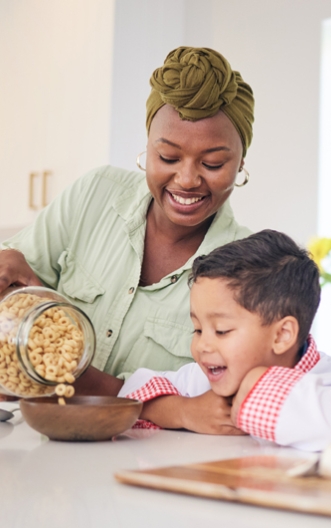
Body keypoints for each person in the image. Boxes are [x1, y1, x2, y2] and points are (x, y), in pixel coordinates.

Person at [0, 47, 254, 434]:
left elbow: (225, 404)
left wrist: (88, 380)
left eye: (213, 164)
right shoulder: (96, 193)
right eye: (168, 156)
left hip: (150, 465)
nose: (186, 179)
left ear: (240, 163)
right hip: (39, 444)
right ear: (147, 148)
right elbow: (16, 274)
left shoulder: (249, 269)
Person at [118, 230, 331, 451]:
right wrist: (186, 412)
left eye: (221, 331)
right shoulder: (203, 380)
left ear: (282, 335)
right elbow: (131, 397)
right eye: (198, 330)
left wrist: (256, 384)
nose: (202, 345)